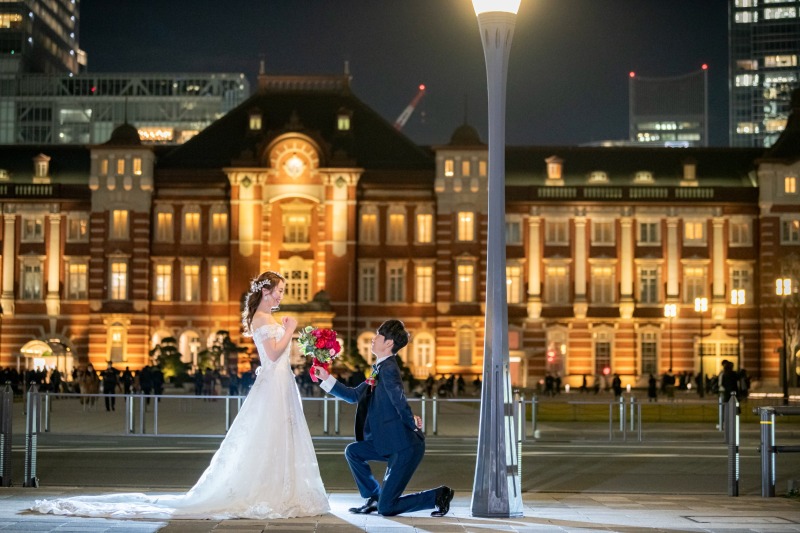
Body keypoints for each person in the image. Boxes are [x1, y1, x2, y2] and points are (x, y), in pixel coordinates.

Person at [32, 271, 329, 519]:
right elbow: (275, 355)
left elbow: (278, 356)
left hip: (280, 385)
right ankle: (268, 491)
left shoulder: (267, 318)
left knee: (279, 438)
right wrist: (290, 330)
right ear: (266, 291)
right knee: (267, 437)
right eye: (279, 291)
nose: (281, 296)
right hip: (273, 386)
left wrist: (306, 342)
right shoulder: (262, 319)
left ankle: (281, 488)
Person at [314, 319, 453, 517]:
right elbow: (354, 395)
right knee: (353, 452)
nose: (373, 338)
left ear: (388, 343)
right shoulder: (379, 368)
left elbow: (398, 397)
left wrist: (411, 421)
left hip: (405, 447)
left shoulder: (388, 369)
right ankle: (373, 497)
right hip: (387, 442)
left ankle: (438, 496)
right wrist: (325, 377)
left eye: (378, 335)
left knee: (387, 508)